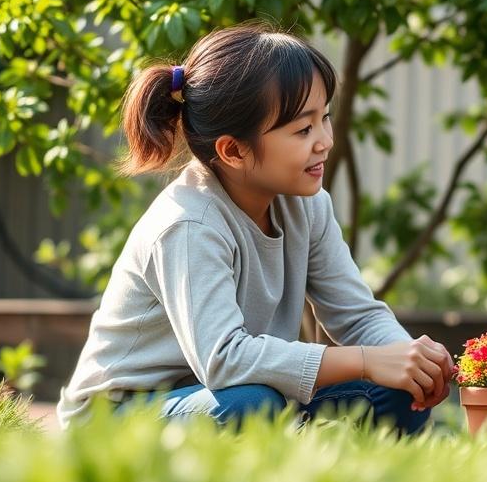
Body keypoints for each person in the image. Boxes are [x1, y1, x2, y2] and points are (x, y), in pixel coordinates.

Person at [57, 23, 453, 431]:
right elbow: (224, 360)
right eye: (303, 129)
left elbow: (356, 316)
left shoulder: (308, 205)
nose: (325, 141)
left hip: (221, 393)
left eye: (326, 118)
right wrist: (367, 361)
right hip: (118, 418)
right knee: (253, 401)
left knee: (394, 389)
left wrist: (412, 360)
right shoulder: (189, 223)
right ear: (233, 150)